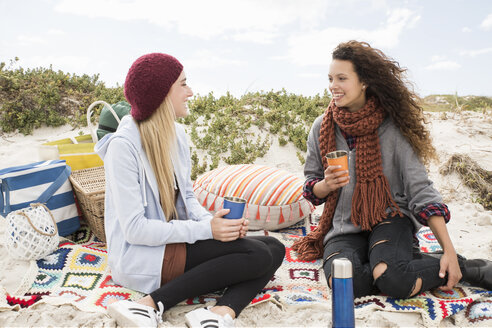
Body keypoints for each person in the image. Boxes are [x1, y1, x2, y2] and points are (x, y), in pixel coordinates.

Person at [95, 53, 285, 328]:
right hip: (143, 254)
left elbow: (187, 196)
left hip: (175, 239)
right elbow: (135, 230)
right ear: (161, 94)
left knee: (273, 247)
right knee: (257, 255)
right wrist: (207, 232)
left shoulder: (177, 136)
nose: (191, 92)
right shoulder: (122, 148)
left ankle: (220, 313)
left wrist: (215, 223)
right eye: (183, 85)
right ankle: (151, 304)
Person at [293, 40, 492, 299]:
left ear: (364, 82)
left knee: (394, 280)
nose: (333, 86)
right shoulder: (322, 127)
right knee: (346, 284)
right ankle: (396, 262)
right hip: (343, 226)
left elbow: (421, 191)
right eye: (330, 78)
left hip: (391, 218)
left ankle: (468, 268)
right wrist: (325, 185)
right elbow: (311, 188)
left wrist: (450, 252)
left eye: (342, 78)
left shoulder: (393, 128)